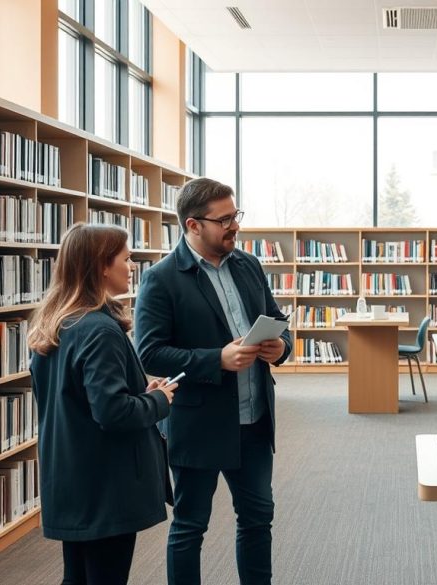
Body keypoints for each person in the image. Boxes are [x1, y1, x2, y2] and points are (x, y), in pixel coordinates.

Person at [134, 177, 292, 585]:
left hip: (254, 419)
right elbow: (149, 353)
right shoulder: (162, 279)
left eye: (235, 215)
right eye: (224, 220)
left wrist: (282, 347)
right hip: (199, 424)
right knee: (190, 527)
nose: (234, 226)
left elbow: (277, 319)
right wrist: (216, 359)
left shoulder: (248, 265)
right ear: (193, 225)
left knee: (258, 519)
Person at [28, 223, 178, 585]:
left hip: (71, 478)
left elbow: (78, 399)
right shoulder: (100, 330)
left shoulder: (59, 323)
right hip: (105, 485)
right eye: (125, 259)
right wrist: (158, 400)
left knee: (77, 577)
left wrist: (139, 389)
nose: (132, 267)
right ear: (101, 265)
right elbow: (112, 412)